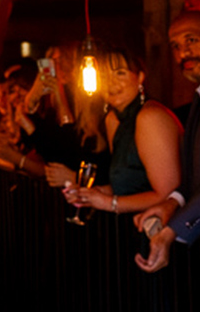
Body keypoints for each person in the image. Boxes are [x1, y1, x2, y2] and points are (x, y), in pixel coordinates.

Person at [136, 10, 200, 273]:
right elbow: (197, 175)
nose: (183, 53)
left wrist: (172, 230)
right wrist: (171, 203)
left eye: (191, 40)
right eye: (176, 46)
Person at [59, 45, 183, 221]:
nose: (111, 81)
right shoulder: (113, 120)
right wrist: (94, 193)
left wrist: (109, 203)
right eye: (104, 76)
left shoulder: (150, 117)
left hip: (157, 228)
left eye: (120, 73)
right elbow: (128, 184)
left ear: (140, 77)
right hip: (126, 225)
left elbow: (169, 195)